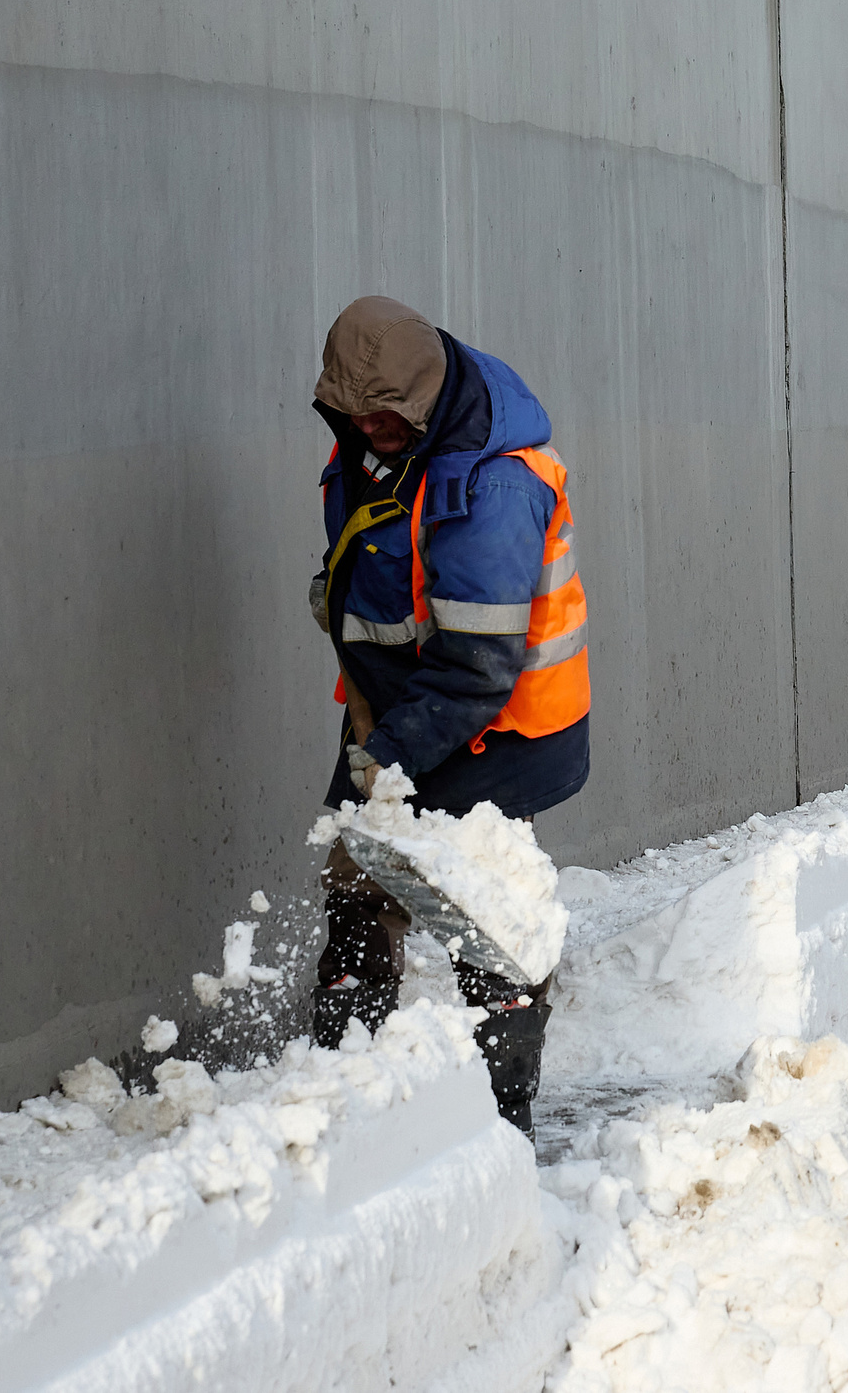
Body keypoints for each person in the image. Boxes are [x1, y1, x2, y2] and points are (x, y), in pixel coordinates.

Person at [306, 296, 590, 1137]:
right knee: (358, 883)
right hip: (402, 707)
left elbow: (478, 666)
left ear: (424, 400)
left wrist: (382, 756)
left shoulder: (494, 483)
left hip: (495, 724)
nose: (369, 432)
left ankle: (501, 1129)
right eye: (353, 417)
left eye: (386, 419)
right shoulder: (378, 440)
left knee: (485, 922)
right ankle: (343, 1100)